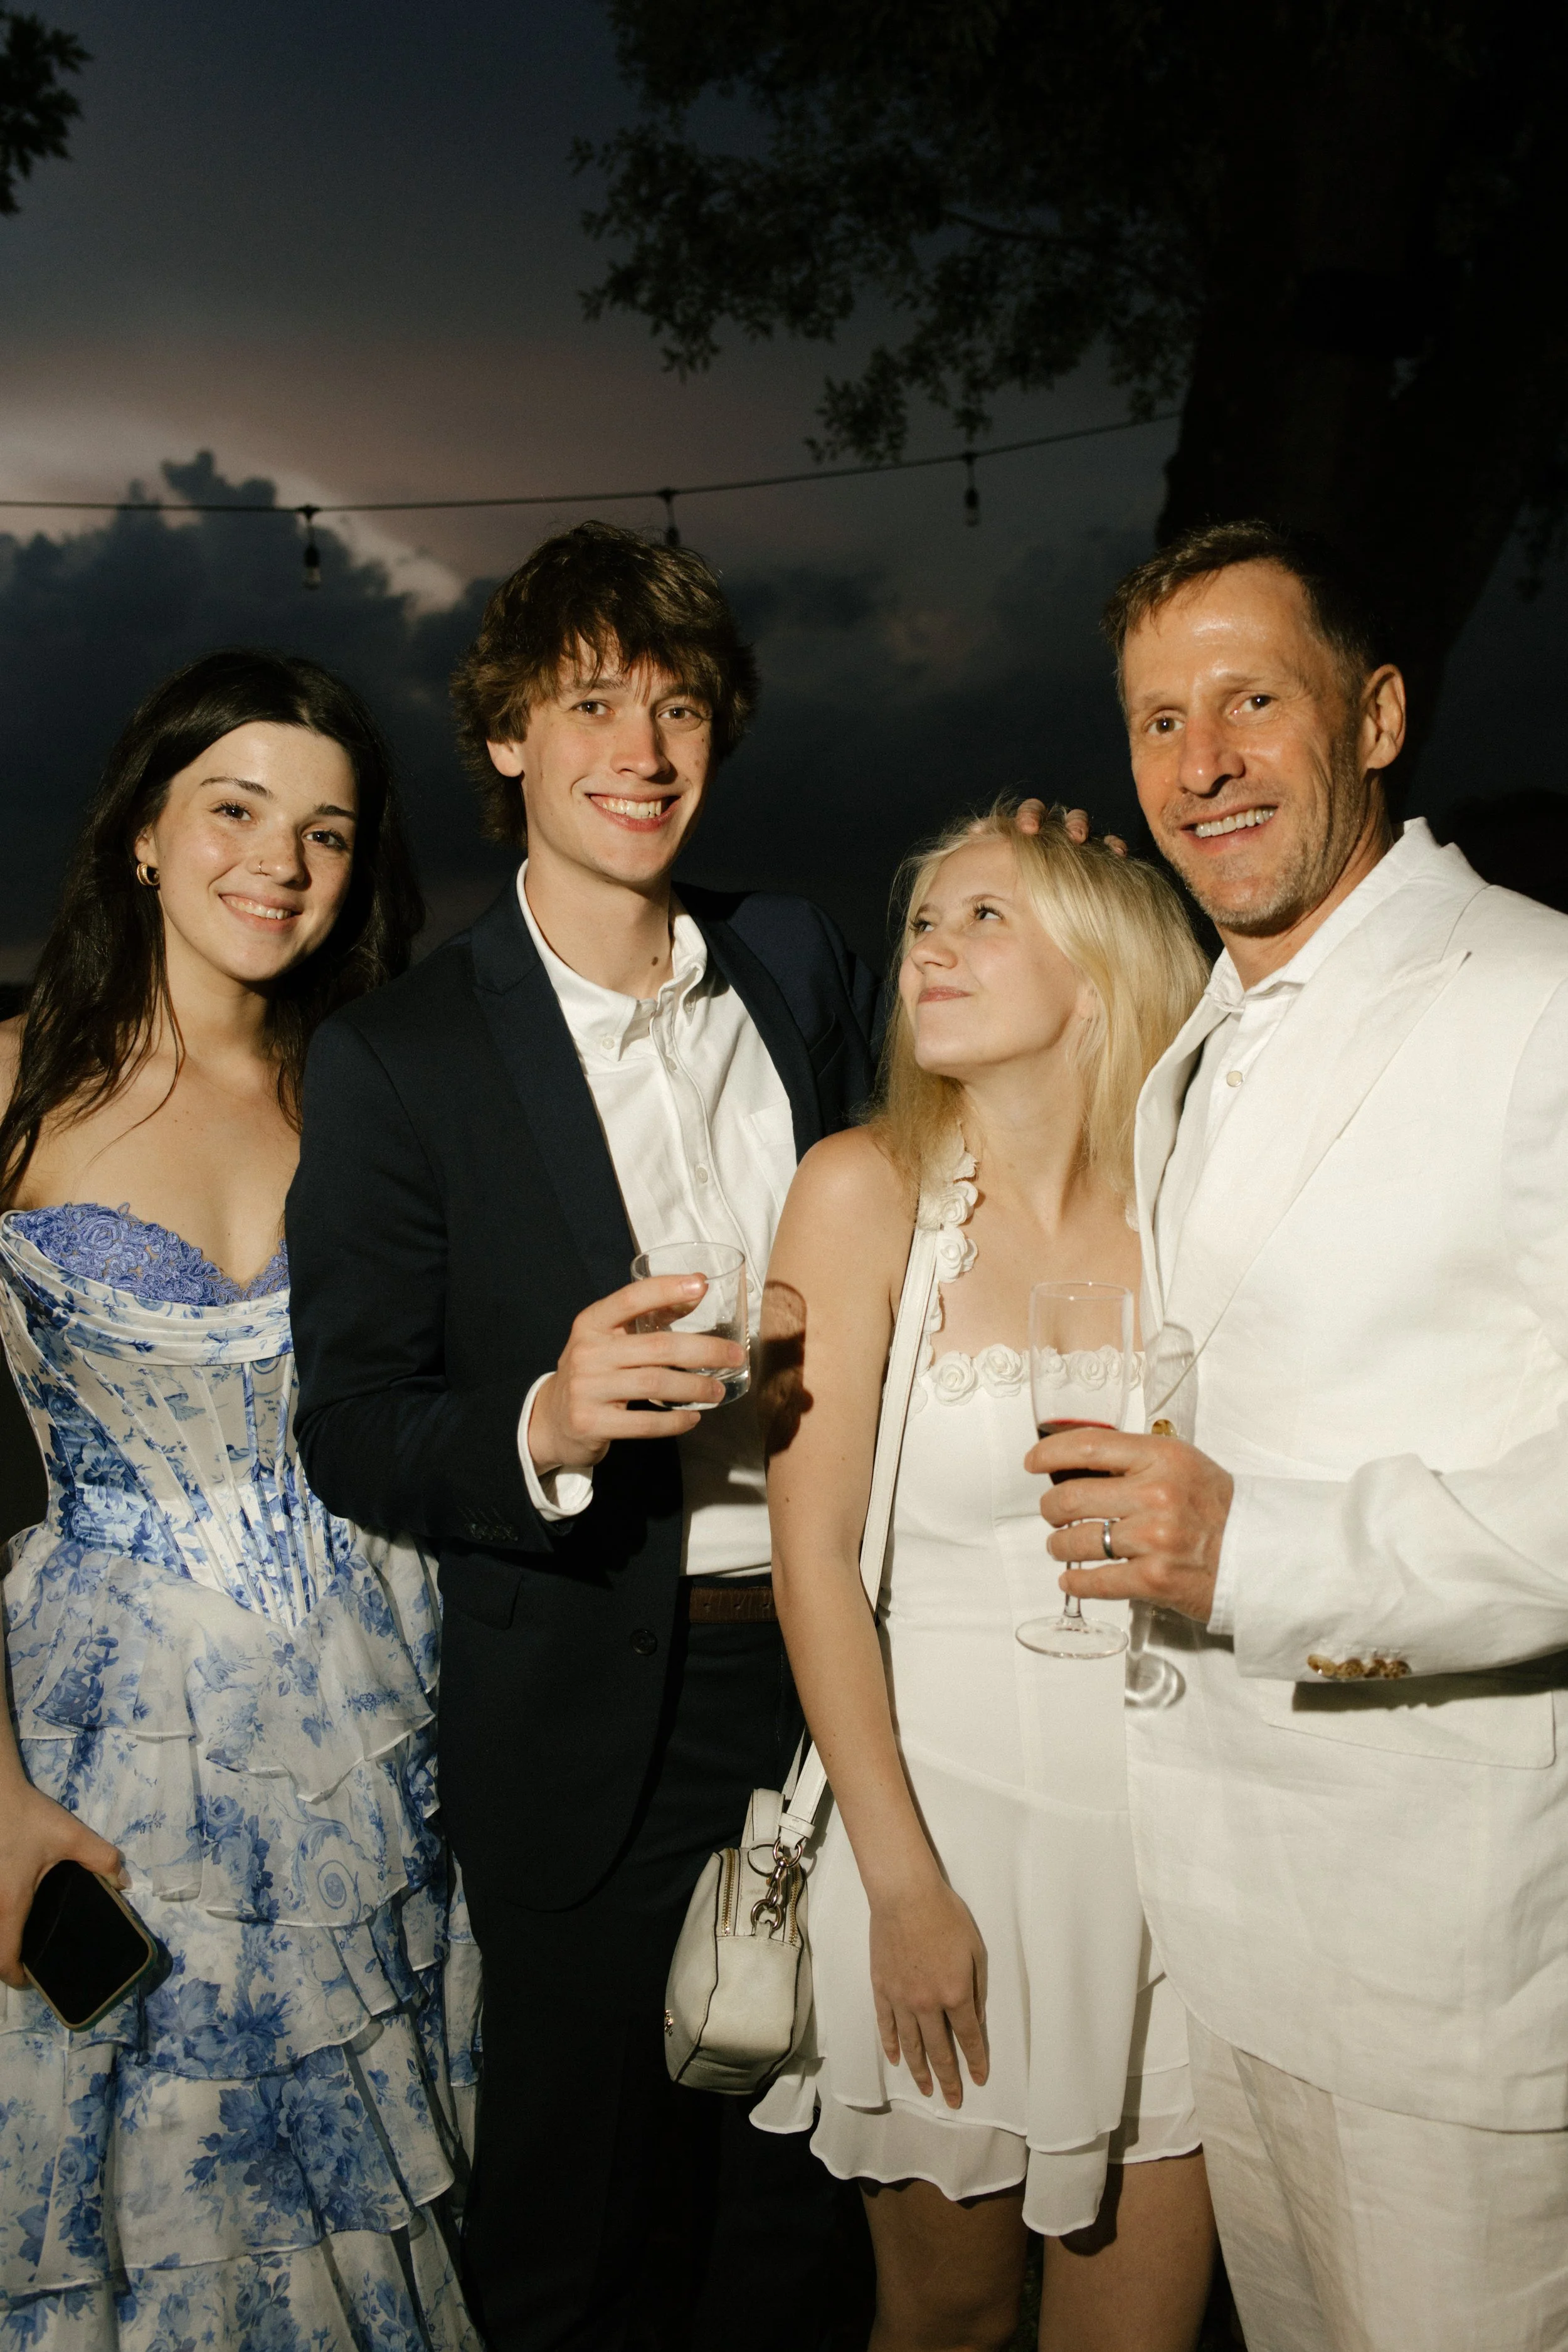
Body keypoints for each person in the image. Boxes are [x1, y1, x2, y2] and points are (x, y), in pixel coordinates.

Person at [285, 521, 881, 2351]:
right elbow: (356, 1420)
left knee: (799, 2229)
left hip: (832, 1689)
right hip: (592, 1713)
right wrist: (543, 1418)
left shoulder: (797, 963)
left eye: (680, 704)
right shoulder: (404, 1054)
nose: (642, 748)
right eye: (592, 703)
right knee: (579, 2241)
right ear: (505, 742)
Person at [1034, 521, 1568, 2351]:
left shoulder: (1533, 999)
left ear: (1377, 715)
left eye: (1252, 699)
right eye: (1157, 718)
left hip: (1440, 1958)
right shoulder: (1197, 1034)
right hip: (1221, 1931)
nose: (1201, 762)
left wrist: (1249, 1555)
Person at [0, 651, 478, 2349]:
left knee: (361, 2200)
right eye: (235, 806)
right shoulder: (8, 1084)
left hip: (374, 1714)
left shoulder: (374, 1092)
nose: (278, 858)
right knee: (152, 2216)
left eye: (327, 831)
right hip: (112, 1735)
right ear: (142, 829)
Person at [753, 803, 1216, 2352]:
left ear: (1096, 973)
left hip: (1168, 1860)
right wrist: (897, 1888)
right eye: (919, 926)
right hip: (937, 1835)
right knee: (942, 2328)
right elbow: (810, 1562)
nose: (928, 950)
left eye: (982, 918)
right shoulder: (858, 1191)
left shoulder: (1198, 1207)